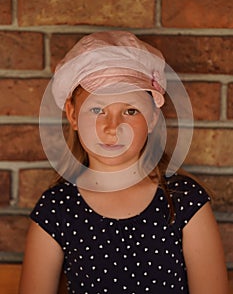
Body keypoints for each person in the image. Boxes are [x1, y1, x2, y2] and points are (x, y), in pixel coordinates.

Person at [19, 31, 229, 294]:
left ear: (153, 117)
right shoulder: (57, 209)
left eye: (130, 110)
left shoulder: (184, 202)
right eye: (97, 110)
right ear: (73, 115)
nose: (113, 127)